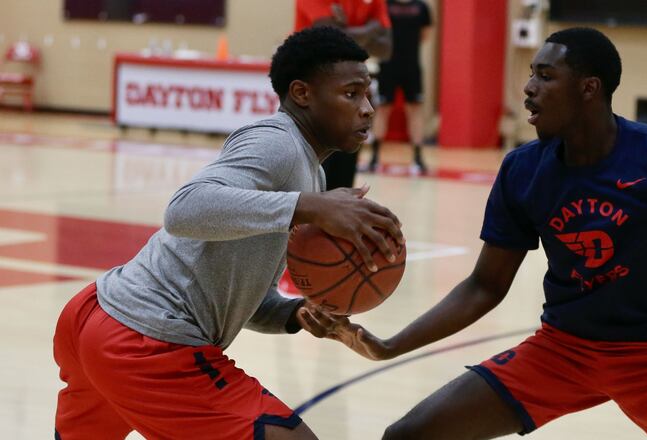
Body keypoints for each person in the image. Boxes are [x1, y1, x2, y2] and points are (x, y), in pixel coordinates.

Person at [331, 28, 647, 439]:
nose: (528, 88)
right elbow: (484, 286)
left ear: (589, 88)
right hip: (562, 348)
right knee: (407, 436)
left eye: (546, 76)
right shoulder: (522, 169)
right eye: (532, 74)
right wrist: (391, 345)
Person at [53, 26, 403, 440]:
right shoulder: (279, 144)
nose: (366, 108)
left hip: (102, 314)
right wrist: (308, 206)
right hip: (144, 337)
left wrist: (294, 313)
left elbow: (234, 289)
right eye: (351, 94)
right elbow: (184, 209)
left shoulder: (311, 170)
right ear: (302, 93)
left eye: (369, 94)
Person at [295, 0, 393, 190]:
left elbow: (386, 48)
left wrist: (347, 30)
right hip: (314, 92)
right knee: (313, 185)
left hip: (350, 92)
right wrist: (372, 28)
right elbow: (329, 37)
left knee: (342, 188)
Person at [368, 0, 432, 175]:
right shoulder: (384, 5)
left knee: (415, 110)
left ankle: (418, 158)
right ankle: (374, 158)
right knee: (382, 109)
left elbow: (425, 35)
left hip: (411, 67)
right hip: (388, 65)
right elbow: (376, 31)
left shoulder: (422, 7)